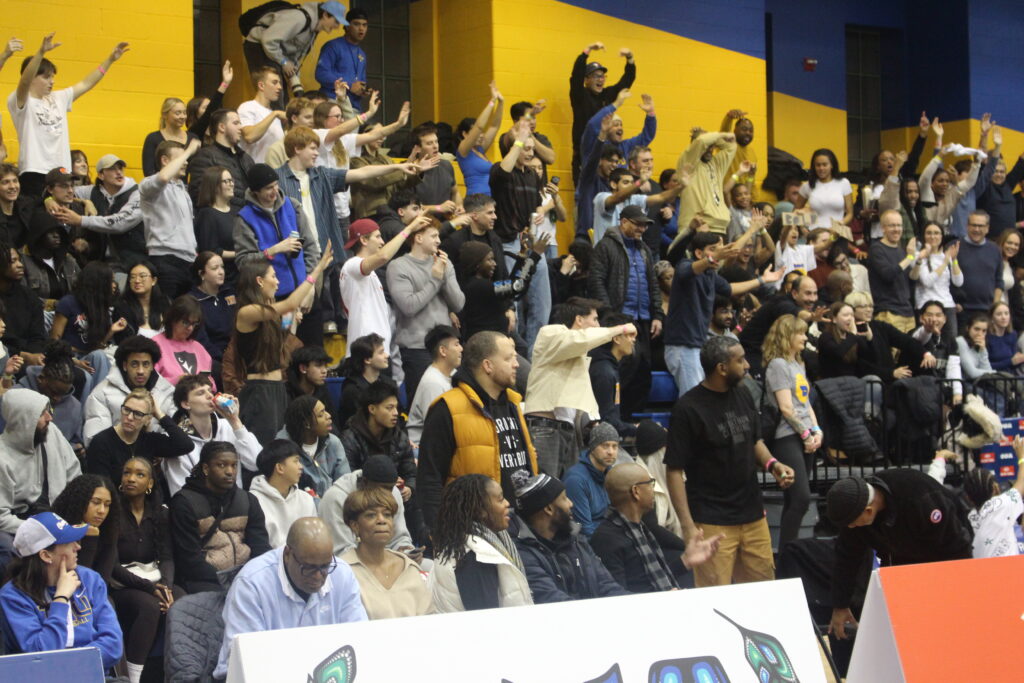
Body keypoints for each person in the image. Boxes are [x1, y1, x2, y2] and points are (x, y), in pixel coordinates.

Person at [664, 336, 795, 587]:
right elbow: (674, 470)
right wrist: (688, 526)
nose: (747, 365)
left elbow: (754, 441)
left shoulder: (743, 393)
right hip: (712, 520)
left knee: (763, 591)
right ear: (722, 368)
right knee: (715, 598)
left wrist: (773, 464)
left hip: (753, 513)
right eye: (740, 360)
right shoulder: (688, 408)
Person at [825, 469, 974, 640]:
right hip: (899, 559)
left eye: (852, 524)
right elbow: (846, 559)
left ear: (868, 511)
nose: (851, 528)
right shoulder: (853, 512)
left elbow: (958, 548)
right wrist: (840, 605)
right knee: (903, 625)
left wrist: (961, 595)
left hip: (943, 555)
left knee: (943, 623)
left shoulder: (920, 499)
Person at [213, 516, 366, 678]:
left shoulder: (342, 574)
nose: (318, 576)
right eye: (309, 568)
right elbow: (244, 660)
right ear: (287, 554)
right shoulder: (252, 584)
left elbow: (360, 640)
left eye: (325, 566)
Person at [417, 331, 539, 528]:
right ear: (488, 365)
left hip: (521, 526)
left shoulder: (514, 404)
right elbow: (430, 478)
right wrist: (438, 532)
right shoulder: (447, 408)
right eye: (509, 359)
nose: (516, 364)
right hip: (472, 528)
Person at [232, 244, 333, 446]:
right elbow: (288, 304)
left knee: (285, 446)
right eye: (274, 277)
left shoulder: (270, 314)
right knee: (266, 447)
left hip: (278, 388)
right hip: (260, 391)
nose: (278, 282)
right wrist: (317, 269)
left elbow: (284, 327)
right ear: (260, 281)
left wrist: (289, 321)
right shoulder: (246, 312)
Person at [9, 33, 129, 198]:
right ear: (32, 78)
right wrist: (40, 53)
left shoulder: (59, 98)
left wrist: (109, 60)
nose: (52, 81)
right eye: (46, 77)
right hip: (34, 171)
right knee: (39, 219)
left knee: (62, 219)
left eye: (53, 77)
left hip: (62, 171)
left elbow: (86, 83)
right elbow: (24, 82)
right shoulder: (20, 99)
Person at [525, 298, 634, 475]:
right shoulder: (551, 333)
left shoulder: (579, 352)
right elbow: (578, 339)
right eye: (595, 319)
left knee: (565, 493)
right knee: (545, 491)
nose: (598, 326)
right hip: (544, 428)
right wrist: (620, 329)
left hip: (567, 430)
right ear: (579, 319)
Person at [665, 231, 782, 395]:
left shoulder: (710, 274)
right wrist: (714, 258)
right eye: (714, 249)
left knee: (704, 398)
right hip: (682, 346)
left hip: (698, 346)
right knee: (693, 399)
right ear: (699, 253)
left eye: (720, 250)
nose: (719, 254)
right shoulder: (685, 265)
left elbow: (731, 288)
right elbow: (688, 270)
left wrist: (763, 280)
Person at [0, 512, 122, 670]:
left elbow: (113, 645)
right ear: (45, 555)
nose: (78, 547)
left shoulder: (90, 579)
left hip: (93, 676)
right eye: (69, 542)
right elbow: (40, 655)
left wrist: (66, 664)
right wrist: (61, 599)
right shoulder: (13, 597)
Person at [591, 463, 722, 593]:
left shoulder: (638, 528)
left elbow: (650, 579)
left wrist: (686, 560)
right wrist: (659, 600)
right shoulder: (606, 539)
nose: (653, 490)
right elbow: (614, 597)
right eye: (650, 483)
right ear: (636, 491)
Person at [589, 204, 663, 419]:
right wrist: (610, 317)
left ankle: (629, 420)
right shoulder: (605, 246)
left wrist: (657, 315)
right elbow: (596, 281)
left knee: (642, 373)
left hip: (643, 320)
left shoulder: (644, 249)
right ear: (623, 222)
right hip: (619, 320)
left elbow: (653, 285)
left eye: (644, 225)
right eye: (638, 224)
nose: (642, 229)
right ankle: (613, 418)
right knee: (621, 372)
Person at [169, 441, 271, 593]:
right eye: (222, 465)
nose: (230, 471)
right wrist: (228, 580)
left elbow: (260, 546)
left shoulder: (248, 500)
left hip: (246, 577)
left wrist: (251, 576)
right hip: (204, 581)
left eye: (234, 465)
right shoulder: (184, 503)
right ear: (205, 468)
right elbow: (189, 560)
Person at [510, 472, 628, 603]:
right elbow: (553, 601)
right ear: (549, 509)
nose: (571, 504)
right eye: (565, 498)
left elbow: (606, 584)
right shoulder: (523, 553)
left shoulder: (577, 540)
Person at [114, 457, 179, 683]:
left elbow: (167, 556)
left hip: (152, 576)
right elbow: (111, 566)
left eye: (139, 474)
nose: (131, 478)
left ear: (150, 483)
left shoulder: (160, 512)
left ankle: (179, 671)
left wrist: (168, 589)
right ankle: (134, 677)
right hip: (122, 583)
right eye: (127, 473)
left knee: (181, 601)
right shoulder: (112, 511)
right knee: (150, 606)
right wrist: (151, 589)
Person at [387, 217, 465, 401]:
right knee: (425, 404)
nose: (439, 241)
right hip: (416, 348)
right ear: (419, 238)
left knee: (453, 401)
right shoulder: (398, 267)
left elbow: (458, 304)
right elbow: (409, 306)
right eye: (434, 236)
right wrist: (435, 279)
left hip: (445, 347)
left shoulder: (444, 263)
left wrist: (443, 275)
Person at [0, 389, 82, 563]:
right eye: (41, 414)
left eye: (48, 410)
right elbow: (1, 518)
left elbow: (75, 475)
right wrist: (41, 529)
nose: (49, 418)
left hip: (59, 516)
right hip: (21, 526)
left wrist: (75, 513)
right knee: (5, 548)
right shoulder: (2, 458)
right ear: (24, 421)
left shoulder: (50, 432)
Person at [429, 474, 532, 612]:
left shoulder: (474, 543)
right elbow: (485, 622)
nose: (507, 503)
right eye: (500, 499)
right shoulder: (474, 558)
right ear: (480, 510)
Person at [762, 314, 822, 550]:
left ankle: (790, 550)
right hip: (787, 435)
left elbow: (805, 403)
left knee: (796, 500)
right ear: (787, 336)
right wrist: (806, 435)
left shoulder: (798, 363)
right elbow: (786, 407)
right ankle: (789, 552)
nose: (805, 338)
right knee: (800, 497)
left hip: (806, 434)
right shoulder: (777, 365)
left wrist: (817, 430)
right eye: (800, 333)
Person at [341, 215, 434, 362]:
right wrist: (408, 229)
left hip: (378, 351)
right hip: (364, 352)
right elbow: (383, 256)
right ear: (364, 240)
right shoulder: (352, 265)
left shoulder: (371, 273)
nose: (382, 242)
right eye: (377, 237)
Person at [340, 487, 432, 619]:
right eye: (371, 515)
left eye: (387, 514)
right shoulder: (342, 570)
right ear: (355, 525)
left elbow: (429, 621)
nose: (381, 520)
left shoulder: (409, 567)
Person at [241, 1, 347, 109]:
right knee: (274, 95)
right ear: (325, 15)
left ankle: (282, 123)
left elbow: (293, 57)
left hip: (275, 52)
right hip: (259, 47)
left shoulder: (313, 31)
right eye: (336, 22)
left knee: (283, 98)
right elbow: (268, 40)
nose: (337, 27)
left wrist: (294, 77)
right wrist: (284, 62)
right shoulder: (299, 18)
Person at [168, 374, 260, 496]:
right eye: (201, 393)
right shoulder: (176, 440)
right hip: (199, 510)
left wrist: (235, 421)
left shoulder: (228, 426)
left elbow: (256, 463)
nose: (210, 396)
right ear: (186, 404)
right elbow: (179, 493)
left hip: (235, 504)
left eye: (210, 391)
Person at [84, 387, 193, 487]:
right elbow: (101, 487)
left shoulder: (148, 440)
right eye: (126, 410)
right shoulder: (101, 442)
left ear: (148, 419)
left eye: (138, 414)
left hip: (145, 503)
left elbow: (185, 445)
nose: (130, 417)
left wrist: (159, 414)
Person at [82, 334, 175, 445]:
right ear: (125, 365)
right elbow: (95, 441)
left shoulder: (167, 391)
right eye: (134, 364)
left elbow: (178, 439)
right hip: (117, 459)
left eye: (146, 364)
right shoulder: (102, 393)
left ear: (152, 366)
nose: (140, 371)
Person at [140, 138, 202, 298]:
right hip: (165, 259)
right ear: (165, 160)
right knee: (167, 315)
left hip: (188, 261)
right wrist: (189, 150)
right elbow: (162, 178)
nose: (186, 162)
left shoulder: (183, 190)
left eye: (187, 159)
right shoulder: (148, 185)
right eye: (181, 158)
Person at [320, 454, 415, 555]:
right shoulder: (336, 498)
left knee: (428, 564)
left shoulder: (393, 492)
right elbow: (342, 552)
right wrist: (388, 558)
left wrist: (406, 552)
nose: (386, 495)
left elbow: (399, 538)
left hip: (387, 559)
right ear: (364, 482)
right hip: (349, 565)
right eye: (381, 489)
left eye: (390, 489)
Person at [50, 261, 120, 396]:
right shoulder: (68, 303)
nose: (114, 285)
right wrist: (73, 360)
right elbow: (54, 341)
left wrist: (111, 331)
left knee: (100, 356)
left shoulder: (101, 307)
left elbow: (97, 347)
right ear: (99, 283)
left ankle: (100, 402)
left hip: (89, 355)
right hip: (67, 356)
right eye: (110, 281)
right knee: (87, 375)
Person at [569, 41, 636, 182]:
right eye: (595, 76)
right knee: (586, 200)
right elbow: (576, 77)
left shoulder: (606, 95)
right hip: (585, 155)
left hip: (604, 157)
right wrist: (586, 51)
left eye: (602, 76)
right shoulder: (580, 95)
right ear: (586, 80)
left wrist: (630, 59)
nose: (600, 79)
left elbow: (626, 82)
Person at [68, 154, 147, 269]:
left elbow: (120, 223)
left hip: (131, 263)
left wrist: (80, 220)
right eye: (112, 169)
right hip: (99, 263)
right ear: (101, 175)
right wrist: (85, 201)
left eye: (120, 168)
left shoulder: (138, 193)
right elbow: (62, 193)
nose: (119, 172)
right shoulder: (91, 192)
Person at [341, 379, 415, 496]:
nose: (396, 412)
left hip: (395, 498)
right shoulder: (351, 438)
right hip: (362, 499)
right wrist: (385, 483)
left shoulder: (399, 436)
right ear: (372, 409)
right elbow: (348, 479)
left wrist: (409, 488)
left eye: (396, 407)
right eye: (389, 408)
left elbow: (410, 473)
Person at [15, 340, 83, 455]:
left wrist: (75, 449)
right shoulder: (17, 397)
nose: (58, 398)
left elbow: (74, 441)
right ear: (41, 378)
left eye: (63, 393)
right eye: (54, 392)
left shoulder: (75, 406)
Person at [963, 436, 1024, 558]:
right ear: (996, 488)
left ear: (968, 498)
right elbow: (1022, 481)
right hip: (1010, 572)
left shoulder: (969, 518)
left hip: (984, 573)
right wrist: (1021, 457)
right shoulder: (1001, 504)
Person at [280, 394, 350, 500]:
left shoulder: (333, 442)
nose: (328, 416)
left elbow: (345, 483)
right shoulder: (283, 448)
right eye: (321, 415)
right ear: (306, 423)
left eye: (325, 411)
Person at [250, 439, 317, 548]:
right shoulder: (254, 501)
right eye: (296, 461)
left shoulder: (306, 499)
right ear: (280, 468)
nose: (301, 466)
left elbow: (314, 539)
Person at [671, 130, 736, 241]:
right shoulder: (688, 162)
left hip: (720, 228)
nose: (710, 150)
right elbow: (701, 141)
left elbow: (731, 147)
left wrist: (716, 140)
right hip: (696, 227)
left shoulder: (716, 164)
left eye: (712, 146)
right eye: (707, 146)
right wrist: (721, 135)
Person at [187, 108, 254, 211]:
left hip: (248, 220)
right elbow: (199, 195)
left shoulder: (246, 158)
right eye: (236, 123)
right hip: (224, 220)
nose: (241, 127)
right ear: (222, 127)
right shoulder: (204, 156)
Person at [407, 325, 462, 445]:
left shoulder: (453, 374)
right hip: (422, 447)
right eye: (456, 344)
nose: (461, 349)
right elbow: (437, 429)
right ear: (443, 351)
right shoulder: (432, 383)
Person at [562, 422, 620, 536]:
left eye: (614, 446)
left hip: (608, 534)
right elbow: (584, 529)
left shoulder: (612, 473)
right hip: (587, 542)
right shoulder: (576, 480)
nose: (610, 452)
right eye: (605, 445)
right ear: (592, 448)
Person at [587, 311, 639, 438]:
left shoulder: (609, 367)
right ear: (616, 338)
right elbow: (606, 421)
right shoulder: (604, 372)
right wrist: (636, 429)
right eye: (630, 335)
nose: (634, 340)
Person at [910, 222, 961, 348]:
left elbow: (958, 281)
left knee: (950, 344)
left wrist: (953, 260)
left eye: (937, 233)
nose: (933, 236)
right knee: (927, 343)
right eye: (929, 233)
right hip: (926, 305)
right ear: (924, 236)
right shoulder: (918, 256)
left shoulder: (946, 256)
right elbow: (927, 281)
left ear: (942, 236)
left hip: (947, 306)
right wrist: (944, 264)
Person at [0, 243, 47, 367]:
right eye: (13, 261)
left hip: (33, 356)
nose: (20, 265)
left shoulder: (29, 296)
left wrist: (34, 355)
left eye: (19, 260)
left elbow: (38, 336)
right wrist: (23, 355)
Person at [194, 166, 241, 285]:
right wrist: (241, 253)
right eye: (226, 181)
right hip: (224, 279)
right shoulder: (207, 214)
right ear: (214, 186)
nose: (231, 184)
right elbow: (211, 251)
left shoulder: (237, 212)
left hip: (241, 274)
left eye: (232, 180)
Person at [957, 209, 1003, 330]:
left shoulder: (995, 250)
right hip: (961, 310)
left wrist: (995, 306)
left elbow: (999, 281)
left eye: (981, 226)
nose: (977, 229)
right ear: (967, 226)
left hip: (986, 311)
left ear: (987, 228)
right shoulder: (955, 247)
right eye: (974, 225)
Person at [152, 295, 213, 385]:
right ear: (173, 319)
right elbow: (150, 382)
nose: (190, 328)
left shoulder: (199, 348)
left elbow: (211, 384)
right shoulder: (155, 344)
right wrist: (177, 380)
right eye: (186, 322)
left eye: (194, 324)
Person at [315, 6, 369, 108]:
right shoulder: (333, 46)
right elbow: (321, 74)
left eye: (364, 25)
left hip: (354, 107)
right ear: (347, 26)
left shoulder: (362, 54)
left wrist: (363, 89)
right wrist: (350, 85)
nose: (361, 28)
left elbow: (361, 81)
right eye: (356, 24)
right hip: (332, 103)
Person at [189, 251, 235, 365]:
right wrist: (225, 358)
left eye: (222, 267)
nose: (221, 272)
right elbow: (202, 341)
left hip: (237, 351)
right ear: (202, 274)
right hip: (214, 358)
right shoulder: (193, 301)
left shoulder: (229, 293)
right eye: (215, 268)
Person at [237, 67, 288, 163]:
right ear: (261, 85)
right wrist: (274, 114)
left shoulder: (273, 113)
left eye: (280, 83)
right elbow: (249, 136)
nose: (280, 87)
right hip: (255, 171)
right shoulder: (247, 107)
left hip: (275, 171)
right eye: (274, 82)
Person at [337, 333, 388, 429]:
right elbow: (357, 425)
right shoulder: (352, 390)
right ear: (368, 359)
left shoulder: (388, 383)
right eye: (381, 352)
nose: (386, 356)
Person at [285, 345, 340, 432]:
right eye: (318, 366)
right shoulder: (286, 393)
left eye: (325, 366)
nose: (324, 371)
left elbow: (333, 423)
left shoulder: (323, 390)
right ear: (303, 368)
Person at [140, 97, 199, 177]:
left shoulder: (192, 138)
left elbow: (197, 170)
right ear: (165, 115)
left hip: (183, 188)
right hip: (161, 186)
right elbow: (149, 171)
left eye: (184, 113)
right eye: (177, 113)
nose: (182, 117)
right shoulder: (153, 138)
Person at [409, 122, 460, 213]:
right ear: (418, 149)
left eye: (436, 141)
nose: (435, 146)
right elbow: (409, 207)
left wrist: (459, 206)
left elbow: (455, 192)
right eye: (429, 143)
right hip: (421, 222)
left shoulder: (446, 165)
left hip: (445, 221)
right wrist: (439, 208)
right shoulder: (410, 170)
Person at [114, 261, 169, 338]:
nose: (137, 281)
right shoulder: (122, 308)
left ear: (154, 280)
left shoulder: (165, 304)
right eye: (132, 277)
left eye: (142, 276)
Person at [986, 301, 1022, 373]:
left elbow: (1014, 363)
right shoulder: (987, 337)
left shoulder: (1012, 334)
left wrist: (1020, 360)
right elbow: (986, 366)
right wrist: (1011, 361)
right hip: (994, 377)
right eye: (999, 314)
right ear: (992, 318)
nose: (1004, 317)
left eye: (1006, 313)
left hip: (1011, 376)